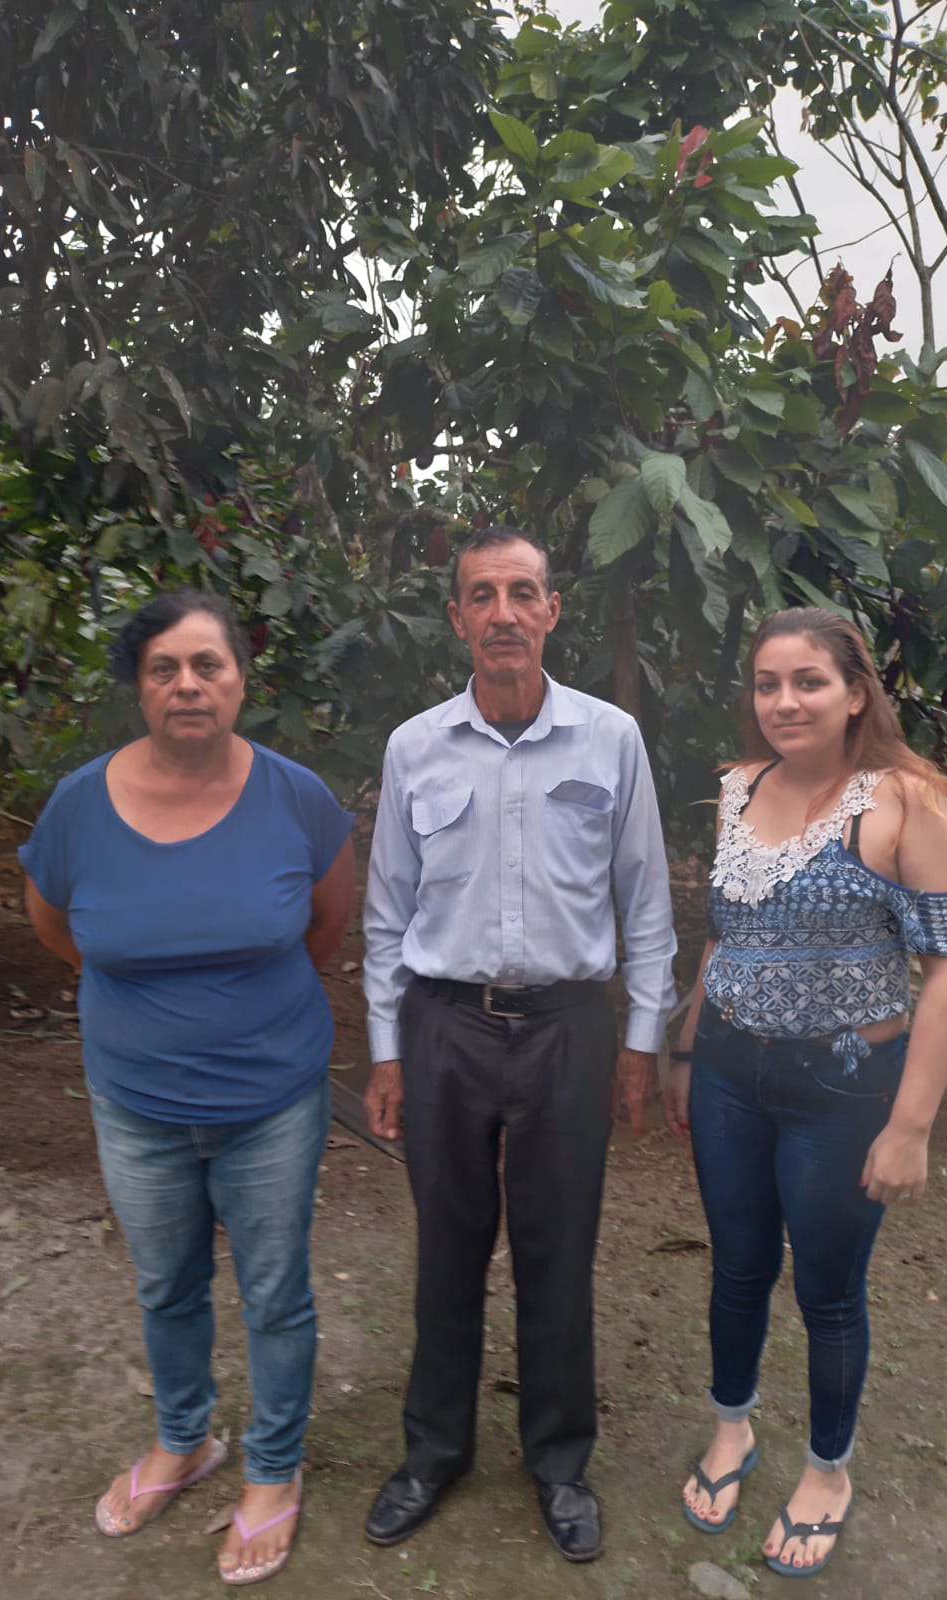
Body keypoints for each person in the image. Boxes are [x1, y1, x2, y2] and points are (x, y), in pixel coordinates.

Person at [20, 590, 354, 1588]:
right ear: (139, 687)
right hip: (136, 1104)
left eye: (209, 664)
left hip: (273, 1103)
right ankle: (185, 1439)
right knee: (165, 1282)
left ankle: (274, 1466)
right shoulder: (79, 806)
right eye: (164, 668)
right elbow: (55, 926)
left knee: (275, 1291)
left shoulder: (296, 798)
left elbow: (326, 926)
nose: (188, 684)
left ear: (241, 680)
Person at [360, 524, 677, 1563]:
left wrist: (642, 1039)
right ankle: (434, 1451)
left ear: (551, 610)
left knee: (559, 1248)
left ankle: (559, 1460)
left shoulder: (610, 739)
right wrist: (386, 1050)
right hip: (444, 1025)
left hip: (568, 1029)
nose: (503, 613)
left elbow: (645, 897)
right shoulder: (415, 747)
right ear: (457, 617)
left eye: (522, 592)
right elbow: (386, 913)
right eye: (483, 595)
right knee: (446, 1246)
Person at [664, 606, 947, 1579]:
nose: (785, 701)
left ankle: (827, 1473)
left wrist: (911, 1126)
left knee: (828, 1290)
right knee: (737, 1265)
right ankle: (731, 1427)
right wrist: (687, 1048)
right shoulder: (738, 787)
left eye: (809, 681)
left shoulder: (910, 805)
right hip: (729, 1073)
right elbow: (723, 934)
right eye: (768, 683)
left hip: (842, 1088)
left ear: (854, 693)